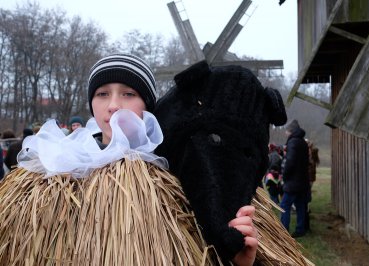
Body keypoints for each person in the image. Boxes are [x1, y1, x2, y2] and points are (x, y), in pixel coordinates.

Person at [86, 53, 258, 265]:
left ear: (148, 105)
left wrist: (238, 262)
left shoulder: (186, 174)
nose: (113, 105)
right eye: (102, 93)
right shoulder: (61, 175)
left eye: (129, 94)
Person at [280, 119, 310, 238]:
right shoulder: (303, 142)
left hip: (293, 181)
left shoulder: (293, 142)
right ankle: (300, 229)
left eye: (287, 131)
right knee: (300, 205)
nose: (286, 133)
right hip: (302, 181)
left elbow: (290, 162)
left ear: (291, 131)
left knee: (284, 206)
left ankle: (284, 231)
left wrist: (285, 176)